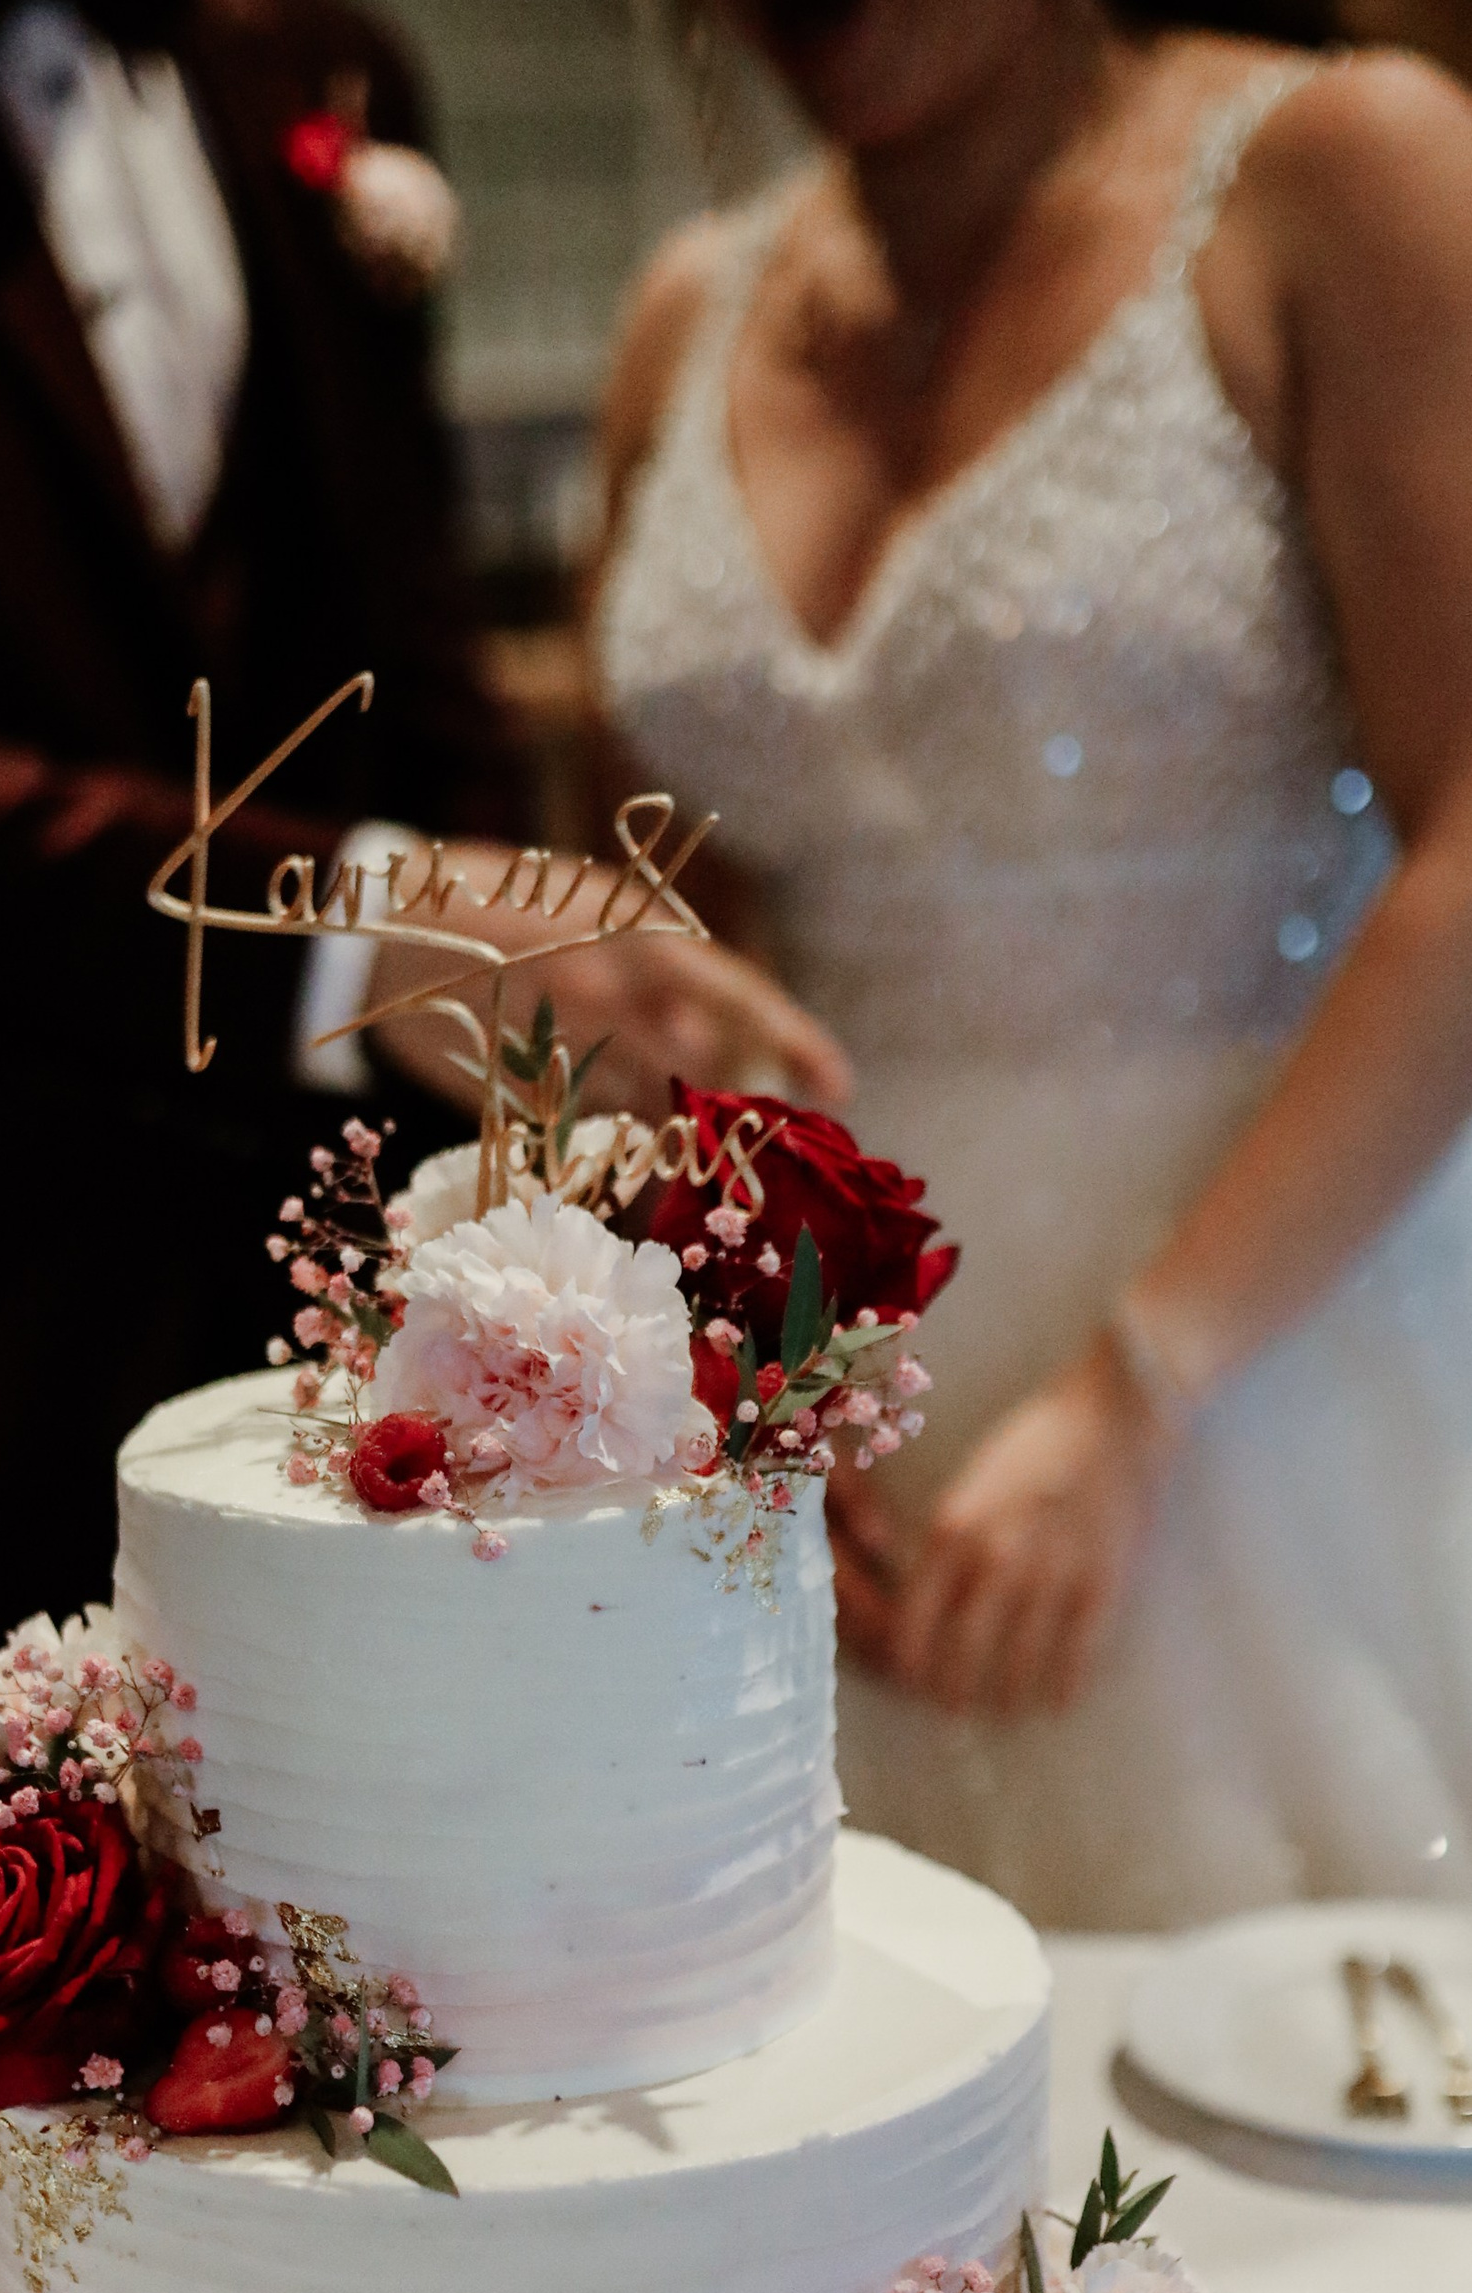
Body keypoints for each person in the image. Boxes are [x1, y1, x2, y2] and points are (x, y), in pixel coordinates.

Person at [0, 0, 839, 1795]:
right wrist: (340, 931)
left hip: (330, 1386)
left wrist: (525, 1153)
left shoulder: (316, 70)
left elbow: (410, 652)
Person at [597, 0, 1472, 1927]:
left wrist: (1143, 1390)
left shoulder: (1342, 177)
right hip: (836, 1425)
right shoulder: (683, 315)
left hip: (1267, 1371)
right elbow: (671, 941)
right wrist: (750, 1363)